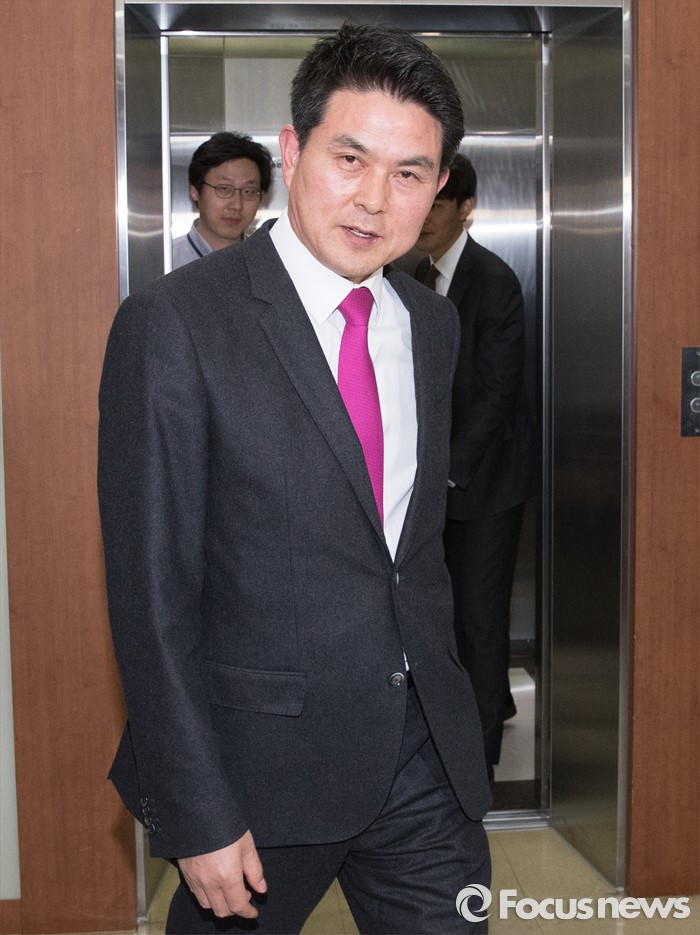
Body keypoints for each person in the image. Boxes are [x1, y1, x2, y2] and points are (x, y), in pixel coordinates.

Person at [99, 24, 491, 935]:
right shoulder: (176, 322)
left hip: (423, 760)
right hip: (256, 773)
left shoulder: (431, 326)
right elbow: (152, 596)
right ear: (292, 150)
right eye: (349, 158)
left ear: (439, 186)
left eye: (409, 173)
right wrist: (196, 807)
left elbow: (409, 550)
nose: (374, 199)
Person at [414, 154, 537, 782]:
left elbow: (495, 394)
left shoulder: (493, 281)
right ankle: (488, 712)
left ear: (466, 209)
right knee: (451, 616)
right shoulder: (417, 273)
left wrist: (447, 470)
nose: (425, 216)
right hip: (439, 483)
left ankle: (480, 766)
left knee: (480, 621)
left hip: (485, 485)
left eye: (438, 204)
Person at [171, 131, 273, 269]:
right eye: (224, 189)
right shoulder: (167, 263)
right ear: (195, 191)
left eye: (249, 191)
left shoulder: (268, 264)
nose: (237, 205)